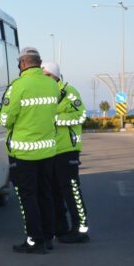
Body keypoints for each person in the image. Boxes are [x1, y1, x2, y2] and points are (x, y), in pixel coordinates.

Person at [0, 47, 60, 254]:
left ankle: (35, 241)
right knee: (46, 194)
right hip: (48, 151)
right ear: (39, 63)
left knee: (28, 197)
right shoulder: (52, 85)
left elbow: (5, 119)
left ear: (23, 63)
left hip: (24, 152)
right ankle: (48, 237)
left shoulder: (18, 86)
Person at [41, 62, 90, 244]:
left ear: (56, 76)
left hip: (67, 149)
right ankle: (60, 228)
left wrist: (54, 119)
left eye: (48, 75)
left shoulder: (69, 92)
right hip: (48, 150)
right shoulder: (42, 94)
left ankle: (80, 230)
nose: (45, 78)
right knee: (54, 191)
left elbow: (81, 115)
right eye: (42, 75)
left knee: (71, 190)